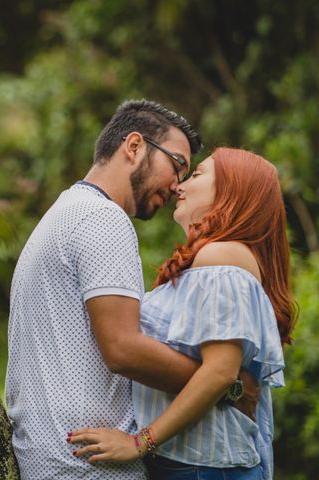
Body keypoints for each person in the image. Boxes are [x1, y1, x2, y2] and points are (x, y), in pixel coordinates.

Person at [5, 99, 218, 480]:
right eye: (177, 164)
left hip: (50, 458)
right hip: (88, 467)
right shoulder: (104, 219)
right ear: (134, 146)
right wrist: (218, 380)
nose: (178, 185)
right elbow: (123, 349)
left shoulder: (66, 211)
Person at [68, 148, 296, 480]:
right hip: (193, 464)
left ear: (232, 192)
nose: (179, 186)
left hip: (204, 466)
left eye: (198, 174)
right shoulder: (216, 259)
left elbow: (220, 372)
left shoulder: (222, 257)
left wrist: (139, 442)